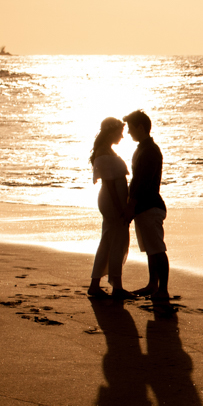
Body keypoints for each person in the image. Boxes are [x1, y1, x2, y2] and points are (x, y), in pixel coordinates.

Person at [123, 110, 170, 303]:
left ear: (140, 128)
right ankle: (153, 285)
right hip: (145, 206)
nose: (128, 133)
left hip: (150, 206)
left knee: (157, 249)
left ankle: (163, 289)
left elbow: (143, 181)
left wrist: (131, 204)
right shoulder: (142, 148)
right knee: (151, 248)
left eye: (131, 128)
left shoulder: (150, 150)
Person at [87, 117, 134, 299]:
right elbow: (110, 185)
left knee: (109, 240)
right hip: (112, 201)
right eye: (119, 132)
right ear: (111, 132)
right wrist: (120, 207)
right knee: (117, 241)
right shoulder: (104, 152)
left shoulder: (107, 151)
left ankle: (96, 284)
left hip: (112, 201)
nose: (122, 136)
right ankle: (117, 287)